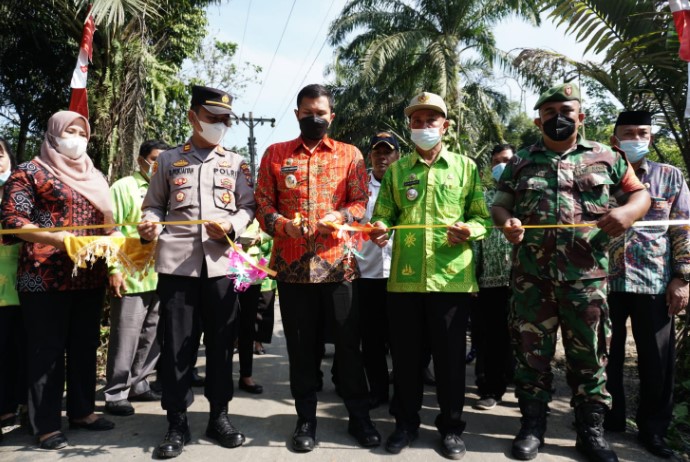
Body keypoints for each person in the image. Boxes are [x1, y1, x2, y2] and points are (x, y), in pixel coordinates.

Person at [491, 83, 651, 462]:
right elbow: (501, 205)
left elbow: (639, 194)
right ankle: (532, 427)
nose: (558, 118)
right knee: (532, 357)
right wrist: (507, 222)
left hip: (587, 279)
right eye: (549, 113)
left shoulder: (607, 157)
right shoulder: (521, 160)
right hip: (533, 280)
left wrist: (627, 213)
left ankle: (590, 432)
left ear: (581, 116)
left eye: (566, 111)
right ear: (538, 119)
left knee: (591, 359)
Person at [255, 83, 380, 452]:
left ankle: (360, 418)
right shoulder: (275, 154)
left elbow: (360, 202)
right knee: (301, 349)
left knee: (347, 346)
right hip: (292, 270)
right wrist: (283, 225)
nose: (315, 118)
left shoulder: (350, 154)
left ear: (331, 116)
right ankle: (305, 420)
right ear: (297, 114)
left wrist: (340, 216)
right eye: (308, 112)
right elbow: (263, 205)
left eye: (321, 112)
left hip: (338, 267)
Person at [369, 91, 491, 460]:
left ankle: (451, 428)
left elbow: (482, 218)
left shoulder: (466, 168)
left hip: (451, 279)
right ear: (410, 127)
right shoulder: (397, 170)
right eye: (417, 121)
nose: (423, 127)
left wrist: (469, 230)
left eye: (431, 121)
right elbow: (385, 215)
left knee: (451, 361)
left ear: (445, 126)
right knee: (406, 360)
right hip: (405, 278)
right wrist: (379, 226)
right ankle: (405, 425)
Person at [138, 85, 255, 459]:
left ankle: (218, 416)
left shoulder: (236, 162)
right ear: (193, 117)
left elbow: (248, 207)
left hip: (221, 267)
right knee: (177, 346)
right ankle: (176, 421)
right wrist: (149, 223)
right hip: (178, 267)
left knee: (222, 344)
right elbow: (153, 205)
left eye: (225, 120)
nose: (220, 125)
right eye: (212, 118)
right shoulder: (169, 161)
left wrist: (233, 227)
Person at [1, 111, 119, 450]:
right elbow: (12, 221)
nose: (77, 136)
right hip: (44, 277)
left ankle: (82, 411)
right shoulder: (30, 171)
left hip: (88, 276)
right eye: (70, 129)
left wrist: (115, 266)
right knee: (46, 351)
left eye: (82, 131)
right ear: (53, 133)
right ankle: (46, 423)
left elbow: (107, 226)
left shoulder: (95, 175)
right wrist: (62, 239)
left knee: (84, 345)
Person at [605, 110, 690, 458]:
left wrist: (682, 278)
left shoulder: (669, 177)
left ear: (651, 138)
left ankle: (653, 430)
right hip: (605, 281)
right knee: (605, 356)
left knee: (656, 360)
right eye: (629, 133)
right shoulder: (598, 177)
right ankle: (608, 421)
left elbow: (683, 228)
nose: (637, 139)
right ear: (614, 140)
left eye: (643, 133)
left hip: (654, 283)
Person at [103, 140, 169, 416]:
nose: (158, 166)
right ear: (142, 159)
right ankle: (116, 392)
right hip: (131, 273)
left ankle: (140, 383)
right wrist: (113, 269)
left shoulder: (167, 189)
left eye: (162, 161)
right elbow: (110, 231)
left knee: (152, 334)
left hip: (160, 272)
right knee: (126, 334)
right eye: (155, 159)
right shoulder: (123, 187)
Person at [355, 131, 399, 409]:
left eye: (388, 151)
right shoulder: (359, 187)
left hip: (401, 275)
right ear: (370, 155)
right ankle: (378, 391)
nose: (382, 156)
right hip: (366, 273)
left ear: (397, 155)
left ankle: (403, 394)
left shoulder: (408, 184)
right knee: (371, 341)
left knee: (401, 340)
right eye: (377, 152)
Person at [471, 143, 516, 411]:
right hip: (490, 280)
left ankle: (526, 387)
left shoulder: (528, 197)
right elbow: (476, 240)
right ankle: (490, 388)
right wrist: (473, 276)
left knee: (525, 337)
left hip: (526, 279)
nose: (502, 165)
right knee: (490, 336)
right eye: (497, 161)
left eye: (507, 160)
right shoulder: (485, 199)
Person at [0, 138, 25, 439]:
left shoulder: (22, 191)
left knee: (20, 350)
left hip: (24, 285)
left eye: (0, 154)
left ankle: (19, 407)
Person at [235, 219, 270, 395]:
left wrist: (260, 237)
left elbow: (271, 225)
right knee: (220, 326)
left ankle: (246, 375)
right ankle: (219, 375)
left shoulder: (255, 194)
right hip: (222, 267)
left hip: (250, 271)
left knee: (247, 325)